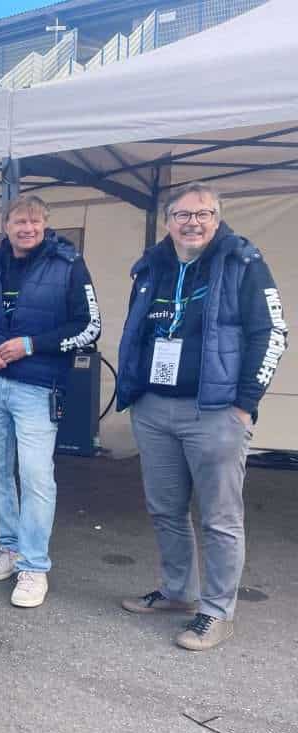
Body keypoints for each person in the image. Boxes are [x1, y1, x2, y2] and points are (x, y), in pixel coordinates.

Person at [116, 183, 288, 651]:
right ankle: (178, 593)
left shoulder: (242, 263)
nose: (192, 222)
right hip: (154, 408)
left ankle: (216, 612)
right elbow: (137, 332)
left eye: (203, 214)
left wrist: (244, 402)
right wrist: (133, 393)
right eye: (182, 214)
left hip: (214, 410)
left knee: (219, 518)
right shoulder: (151, 266)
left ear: (218, 218)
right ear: (168, 219)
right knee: (165, 508)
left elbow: (272, 332)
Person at [0, 195, 101, 608]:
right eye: (18, 222)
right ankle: (9, 547)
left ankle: (34, 566)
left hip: (38, 386)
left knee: (35, 476)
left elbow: (90, 328)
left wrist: (33, 345)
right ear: (5, 225)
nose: (26, 228)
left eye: (33, 222)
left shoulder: (67, 264)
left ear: (45, 224)